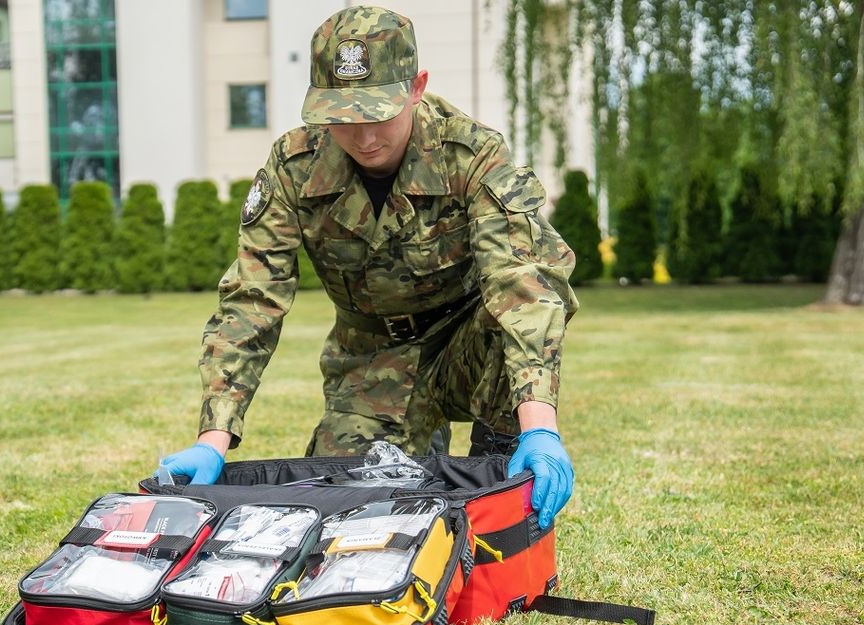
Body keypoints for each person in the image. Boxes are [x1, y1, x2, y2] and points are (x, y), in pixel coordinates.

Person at [159, 6, 578, 528]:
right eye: (342, 117)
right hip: (371, 359)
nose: (363, 137)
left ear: (416, 87)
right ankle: (418, 452)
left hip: (467, 345)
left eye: (378, 113)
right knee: (352, 510)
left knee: (504, 328)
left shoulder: (470, 155)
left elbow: (522, 285)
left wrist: (541, 425)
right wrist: (213, 437)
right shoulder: (295, 168)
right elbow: (252, 299)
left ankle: (496, 466)